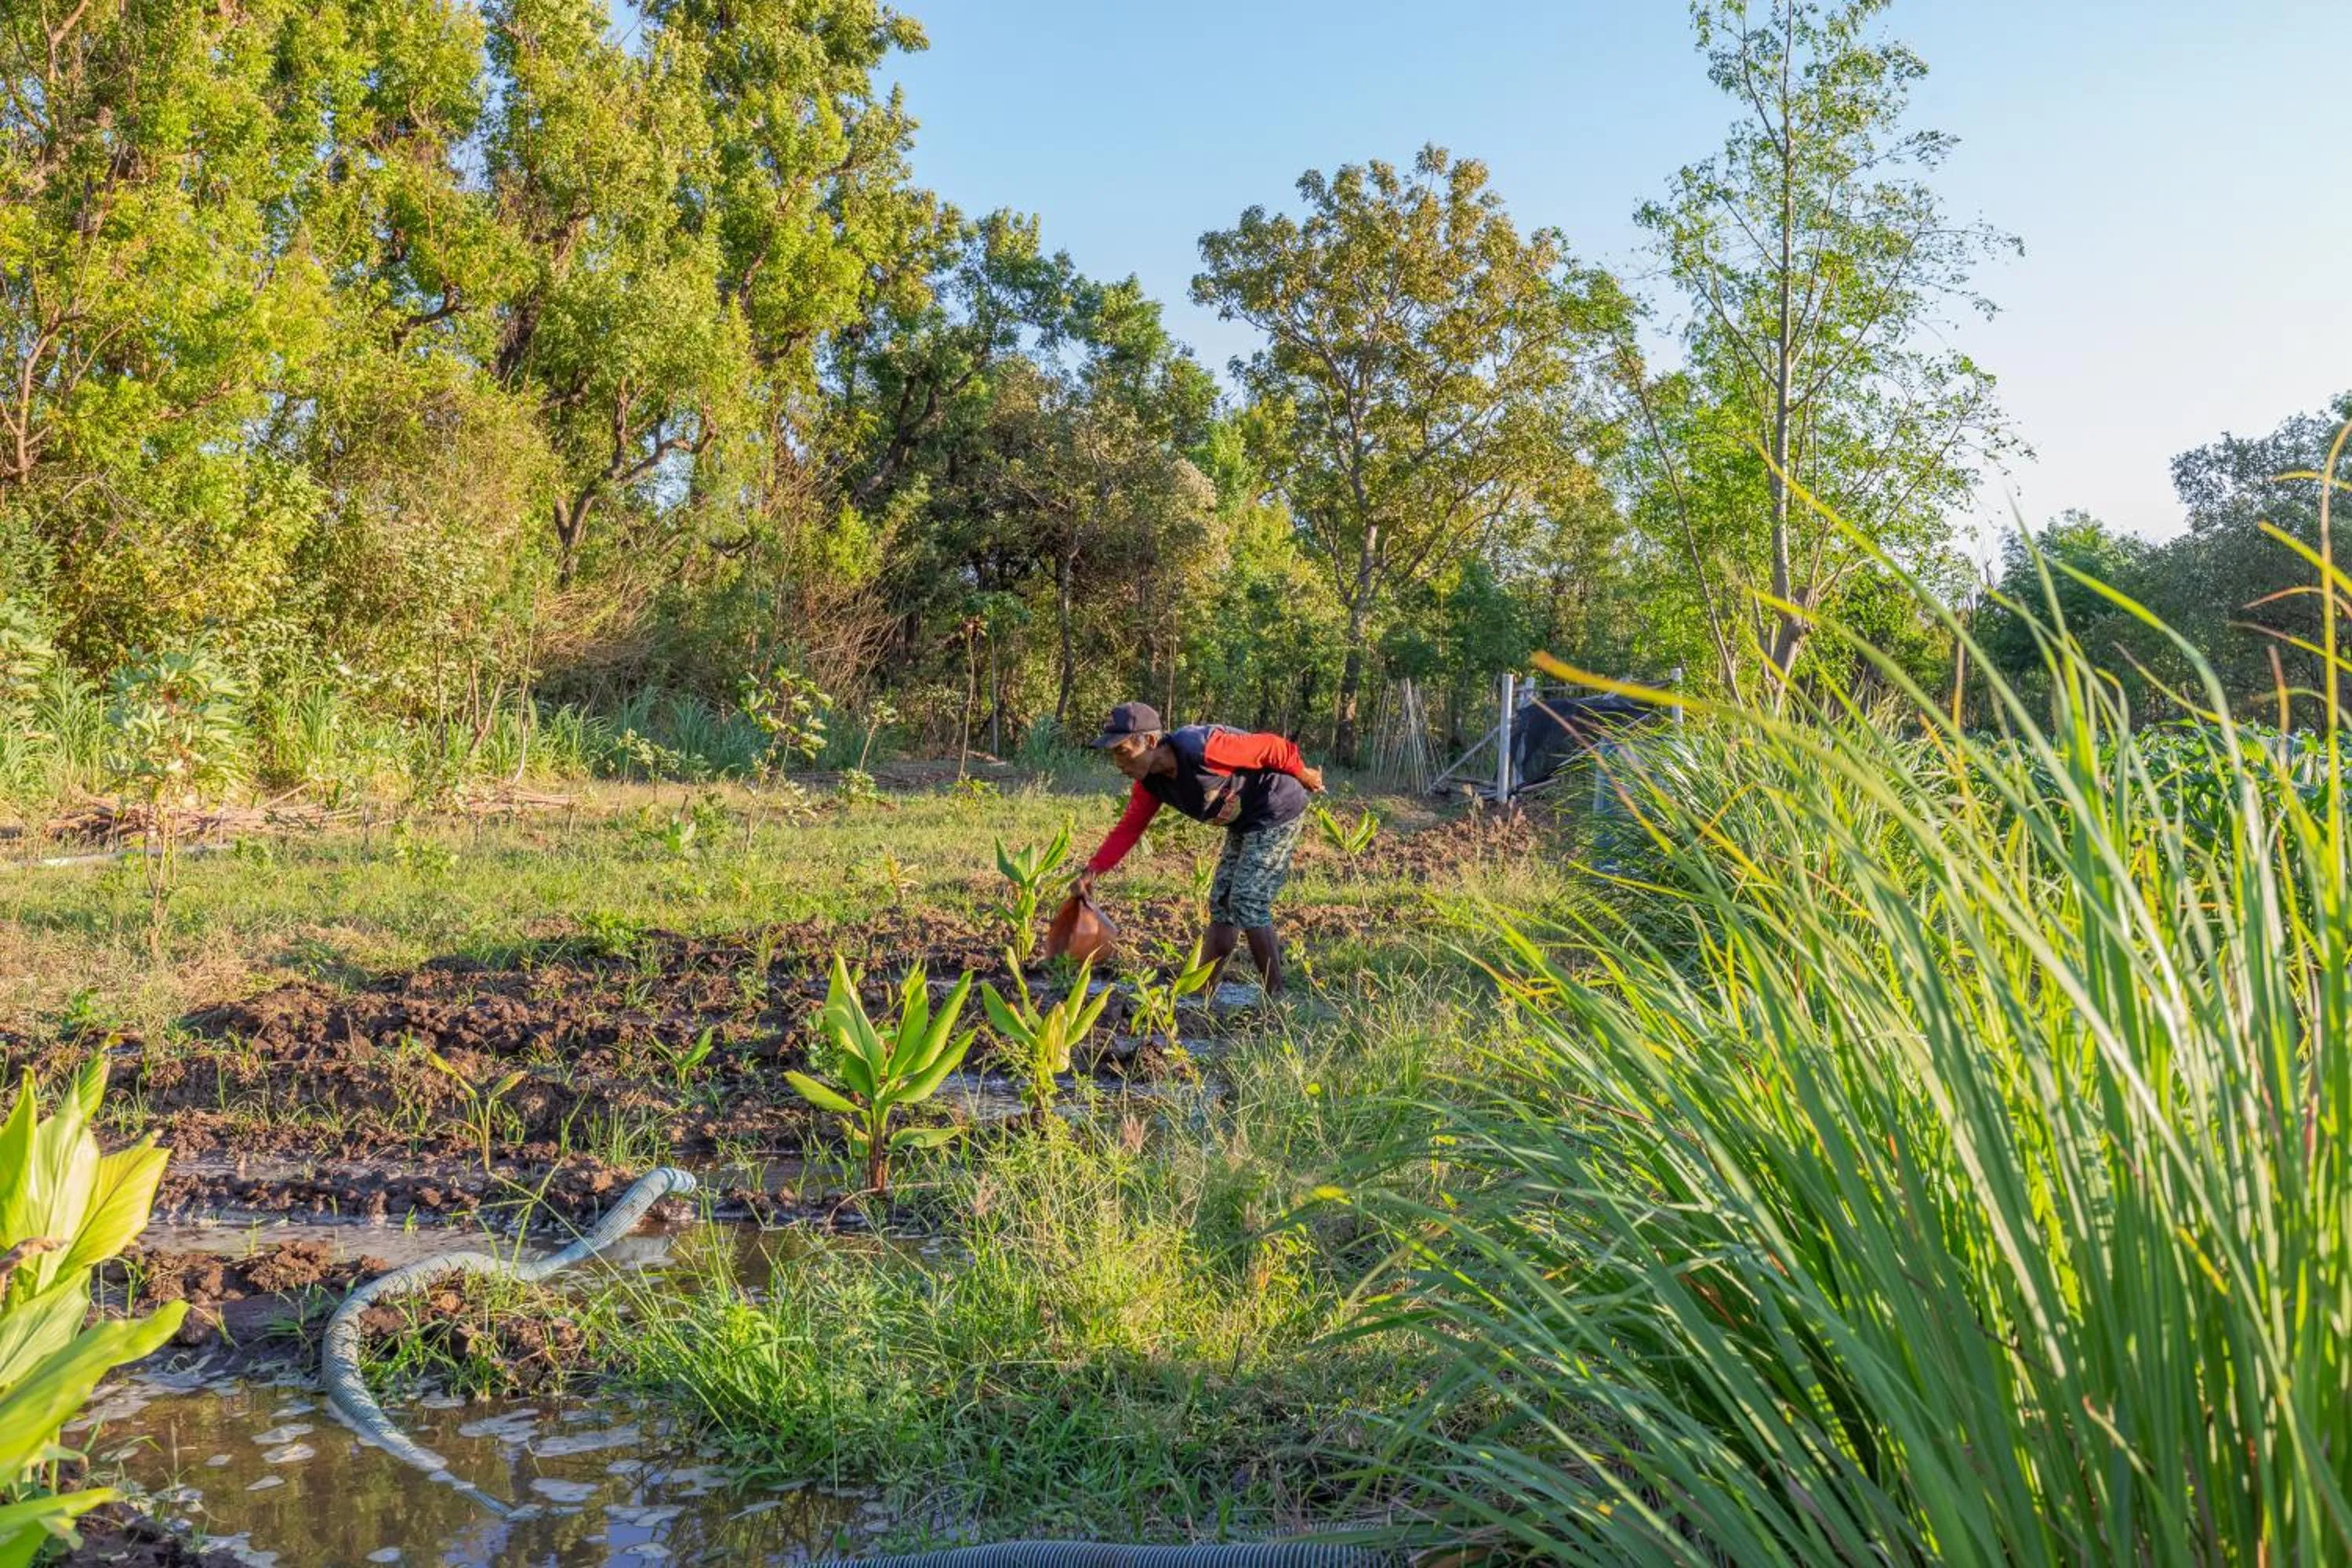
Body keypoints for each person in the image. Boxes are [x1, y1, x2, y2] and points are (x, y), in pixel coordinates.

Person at [1072, 701, 1323, 996]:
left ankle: (1277, 998)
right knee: (1222, 903)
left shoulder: (1204, 748)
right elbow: (1129, 828)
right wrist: (1093, 870)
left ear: (1151, 741)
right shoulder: (1150, 784)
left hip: (1277, 807)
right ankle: (1202, 993)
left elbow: (1273, 747)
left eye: (1123, 752)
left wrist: (1305, 774)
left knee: (1247, 900)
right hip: (1244, 821)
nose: (1118, 764)